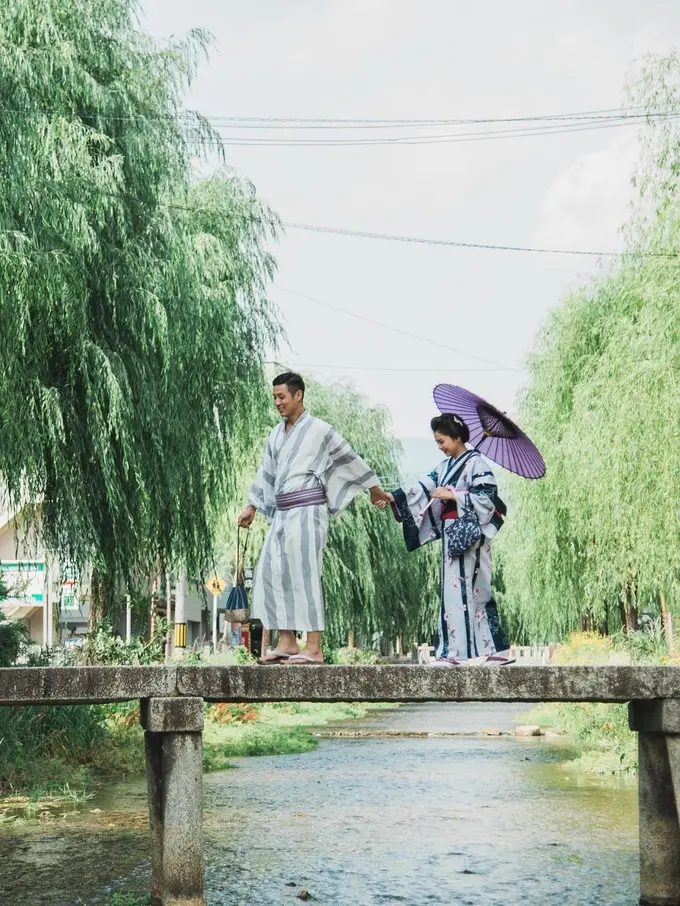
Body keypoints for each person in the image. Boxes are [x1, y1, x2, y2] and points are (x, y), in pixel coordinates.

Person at [238, 372, 391, 664]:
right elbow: (265, 474)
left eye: (282, 396)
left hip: (308, 510)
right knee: (272, 573)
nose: (277, 403)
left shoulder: (320, 430)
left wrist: (374, 490)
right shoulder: (275, 434)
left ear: (298, 395)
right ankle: (287, 641)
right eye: (274, 398)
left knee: (304, 575)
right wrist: (252, 506)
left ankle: (314, 646)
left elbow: (350, 458)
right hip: (281, 514)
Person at [387, 413, 514, 667]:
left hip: (472, 535)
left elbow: (488, 498)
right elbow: (423, 487)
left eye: (442, 441)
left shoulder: (478, 464)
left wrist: (454, 494)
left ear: (457, 437)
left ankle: (497, 651)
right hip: (450, 533)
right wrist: (395, 498)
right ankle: (452, 652)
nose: (440, 446)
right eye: (437, 442)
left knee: (479, 591)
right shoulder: (444, 467)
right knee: (451, 595)